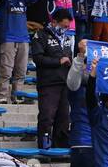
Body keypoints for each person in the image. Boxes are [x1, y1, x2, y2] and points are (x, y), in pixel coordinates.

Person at [30, 9, 76, 151]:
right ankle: (44, 148)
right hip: (48, 83)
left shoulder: (68, 39)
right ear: (54, 22)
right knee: (47, 116)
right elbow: (37, 58)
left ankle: (60, 149)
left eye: (67, 27)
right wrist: (58, 61)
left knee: (64, 118)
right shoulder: (41, 35)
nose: (65, 29)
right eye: (63, 26)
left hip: (65, 82)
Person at [0, 0, 40, 105]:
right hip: (8, 38)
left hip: (24, 39)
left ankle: (17, 96)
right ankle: (1, 96)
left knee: (21, 71)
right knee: (6, 70)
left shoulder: (23, 1)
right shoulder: (4, 0)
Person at [64, 43, 96, 167]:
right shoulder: (76, 87)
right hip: (82, 142)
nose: (88, 67)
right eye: (87, 65)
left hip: (101, 143)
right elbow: (72, 79)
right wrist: (80, 56)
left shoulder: (101, 87)